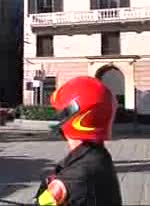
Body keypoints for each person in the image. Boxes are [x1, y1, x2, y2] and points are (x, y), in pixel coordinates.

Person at [34, 76, 122, 206]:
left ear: (73, 115)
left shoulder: (68, 182)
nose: (58, 117)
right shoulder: (100, 157)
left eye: (61, 112)